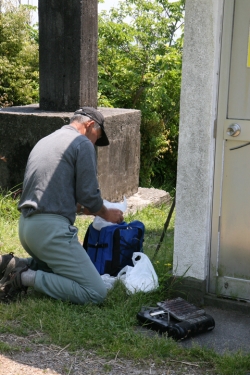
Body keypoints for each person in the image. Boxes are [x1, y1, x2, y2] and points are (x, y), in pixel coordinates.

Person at [0, 107, 124, 304]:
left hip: (27, 228)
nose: (94, 143)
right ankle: (21, 277)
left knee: (60, 270)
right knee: (95, 292)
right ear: (90, 125)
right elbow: (89, 195)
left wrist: (85, 210)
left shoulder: (47, 140)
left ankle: (16, 264)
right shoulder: (81, 143)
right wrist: (106, 213)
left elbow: (55, 197)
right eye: (96, 137)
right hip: (49, 233)